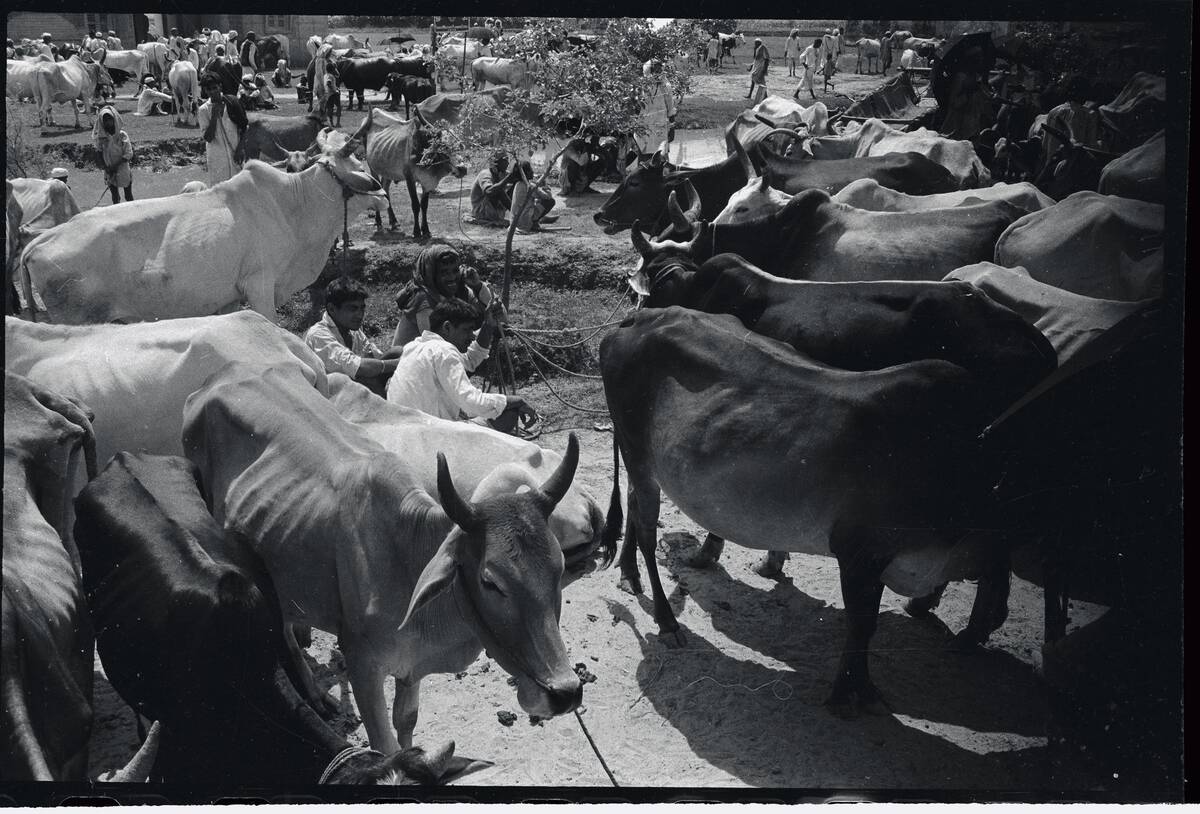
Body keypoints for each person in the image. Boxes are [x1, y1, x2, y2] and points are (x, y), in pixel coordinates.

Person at [387, 298, 537, 434]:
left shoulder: (413, 346)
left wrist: (488, 325)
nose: (472, 336)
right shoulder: (443, 350)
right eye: (466, 330)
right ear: (447, 328)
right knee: (508, 414)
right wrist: (513, 401)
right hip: (427, 436)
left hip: (401, 431)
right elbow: (470, 401)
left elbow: (470, 360)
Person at [305, 277, 402, 396]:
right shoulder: (318, 334)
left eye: (362, 308)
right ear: (332, 309)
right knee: (365, 379)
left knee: (398, 352)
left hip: (351, 388)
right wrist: (399, 363)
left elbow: (372, 356)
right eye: (353, 309)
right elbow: (357, 367)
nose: (360, 314)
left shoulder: (353, 330)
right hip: (327, 396)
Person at [393, 245, 496, 348]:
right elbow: (438, 347)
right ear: (432, 274)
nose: (451, 277)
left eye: (455, 271)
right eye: (444, 273)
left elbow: (500, 316)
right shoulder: (423, 300)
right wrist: (485, 330)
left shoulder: (459, 290)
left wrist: (478, 286)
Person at [197, 72, 247, 184]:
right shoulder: (203, 110)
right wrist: (214, 117)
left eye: (215, 88)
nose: (212, 92)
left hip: (235, 155)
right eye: (209, 89)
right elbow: (208, 138)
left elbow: (244, 127)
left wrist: (241, 148)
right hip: (217, 160)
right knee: (220, 193)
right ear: (205, 91)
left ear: (220, 86)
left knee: (239, 189)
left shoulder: (232, 102)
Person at [93, 105, 134, 204]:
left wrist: (115, 166)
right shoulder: (101, 138)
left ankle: (133, 213)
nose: (108, 122)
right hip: (109, 168)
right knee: (115, 197)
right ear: (102, 122)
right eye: (105, 120)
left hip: (122, 167)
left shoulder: (122, 135)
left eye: (110, 119)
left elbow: (128, 153)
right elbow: (98, 152)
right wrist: (106, 168)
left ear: (114, 119)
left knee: (128, 195)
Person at [509, 160, 557, 234]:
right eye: (530, 170)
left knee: (537, 201)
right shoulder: (530, 186)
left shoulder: (518, 184)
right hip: (524, 221)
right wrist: (545, 186)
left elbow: (537, 195)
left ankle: (535, 221)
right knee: (550, 202)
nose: (532, 171)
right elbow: (548, 197)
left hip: (515, 222)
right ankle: (533, 222)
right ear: (526, 173)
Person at [469, 151, 516, 226]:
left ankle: (518, 214)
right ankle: (516, 214)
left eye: (508, 160)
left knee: (515, 186)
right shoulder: (485, 174)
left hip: (493, 210)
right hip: (481, 211)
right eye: (505, 160)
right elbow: (488, 191)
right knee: (498, 190)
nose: (507, 163)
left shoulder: (501, 173)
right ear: (496, 162)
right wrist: (507, 179)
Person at [747, 37, 769, 101]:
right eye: (755, 43)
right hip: (756, 66)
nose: (755, 44)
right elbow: (755, 60)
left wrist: (764, 69)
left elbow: (767, 59)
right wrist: (751, 66)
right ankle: (750, 94)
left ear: (759, 43)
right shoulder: (757, 49)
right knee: (754, 80)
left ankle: (765, 95)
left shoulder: (763, 48)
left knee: (760, 81)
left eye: (756, 43)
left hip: (761, 67)